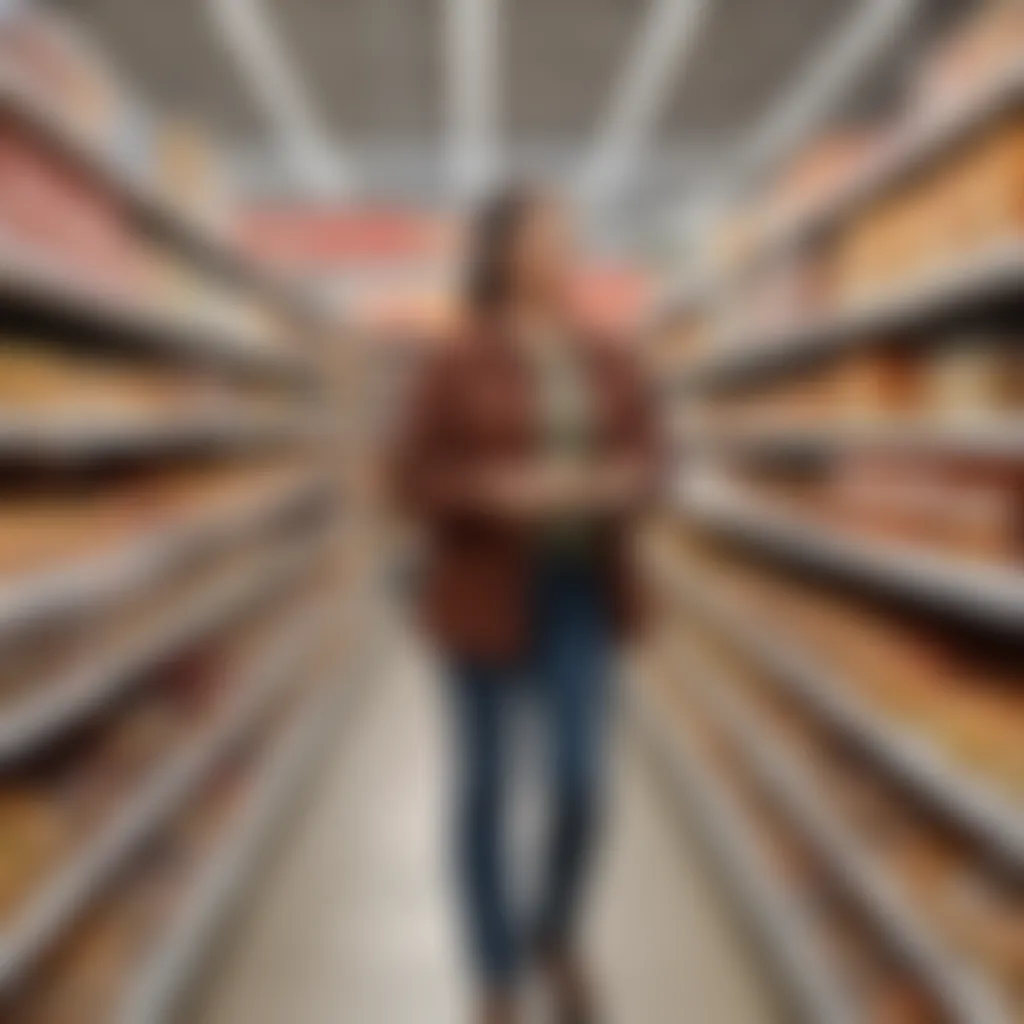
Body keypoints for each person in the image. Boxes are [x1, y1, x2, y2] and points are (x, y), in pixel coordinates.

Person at [393, 186, 659, 1024]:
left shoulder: (608, 354)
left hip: (581, 587)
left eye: (570, 231)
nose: (568, 245)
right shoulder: (455, 359)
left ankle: (553, 927)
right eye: (551, 232)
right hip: (481, 593)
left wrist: (623, 482)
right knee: (484, 787)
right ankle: (495, 973)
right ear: (507, 251)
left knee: (583, 784)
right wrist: (492, 493)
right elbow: (406, 478)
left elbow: (656, 455)